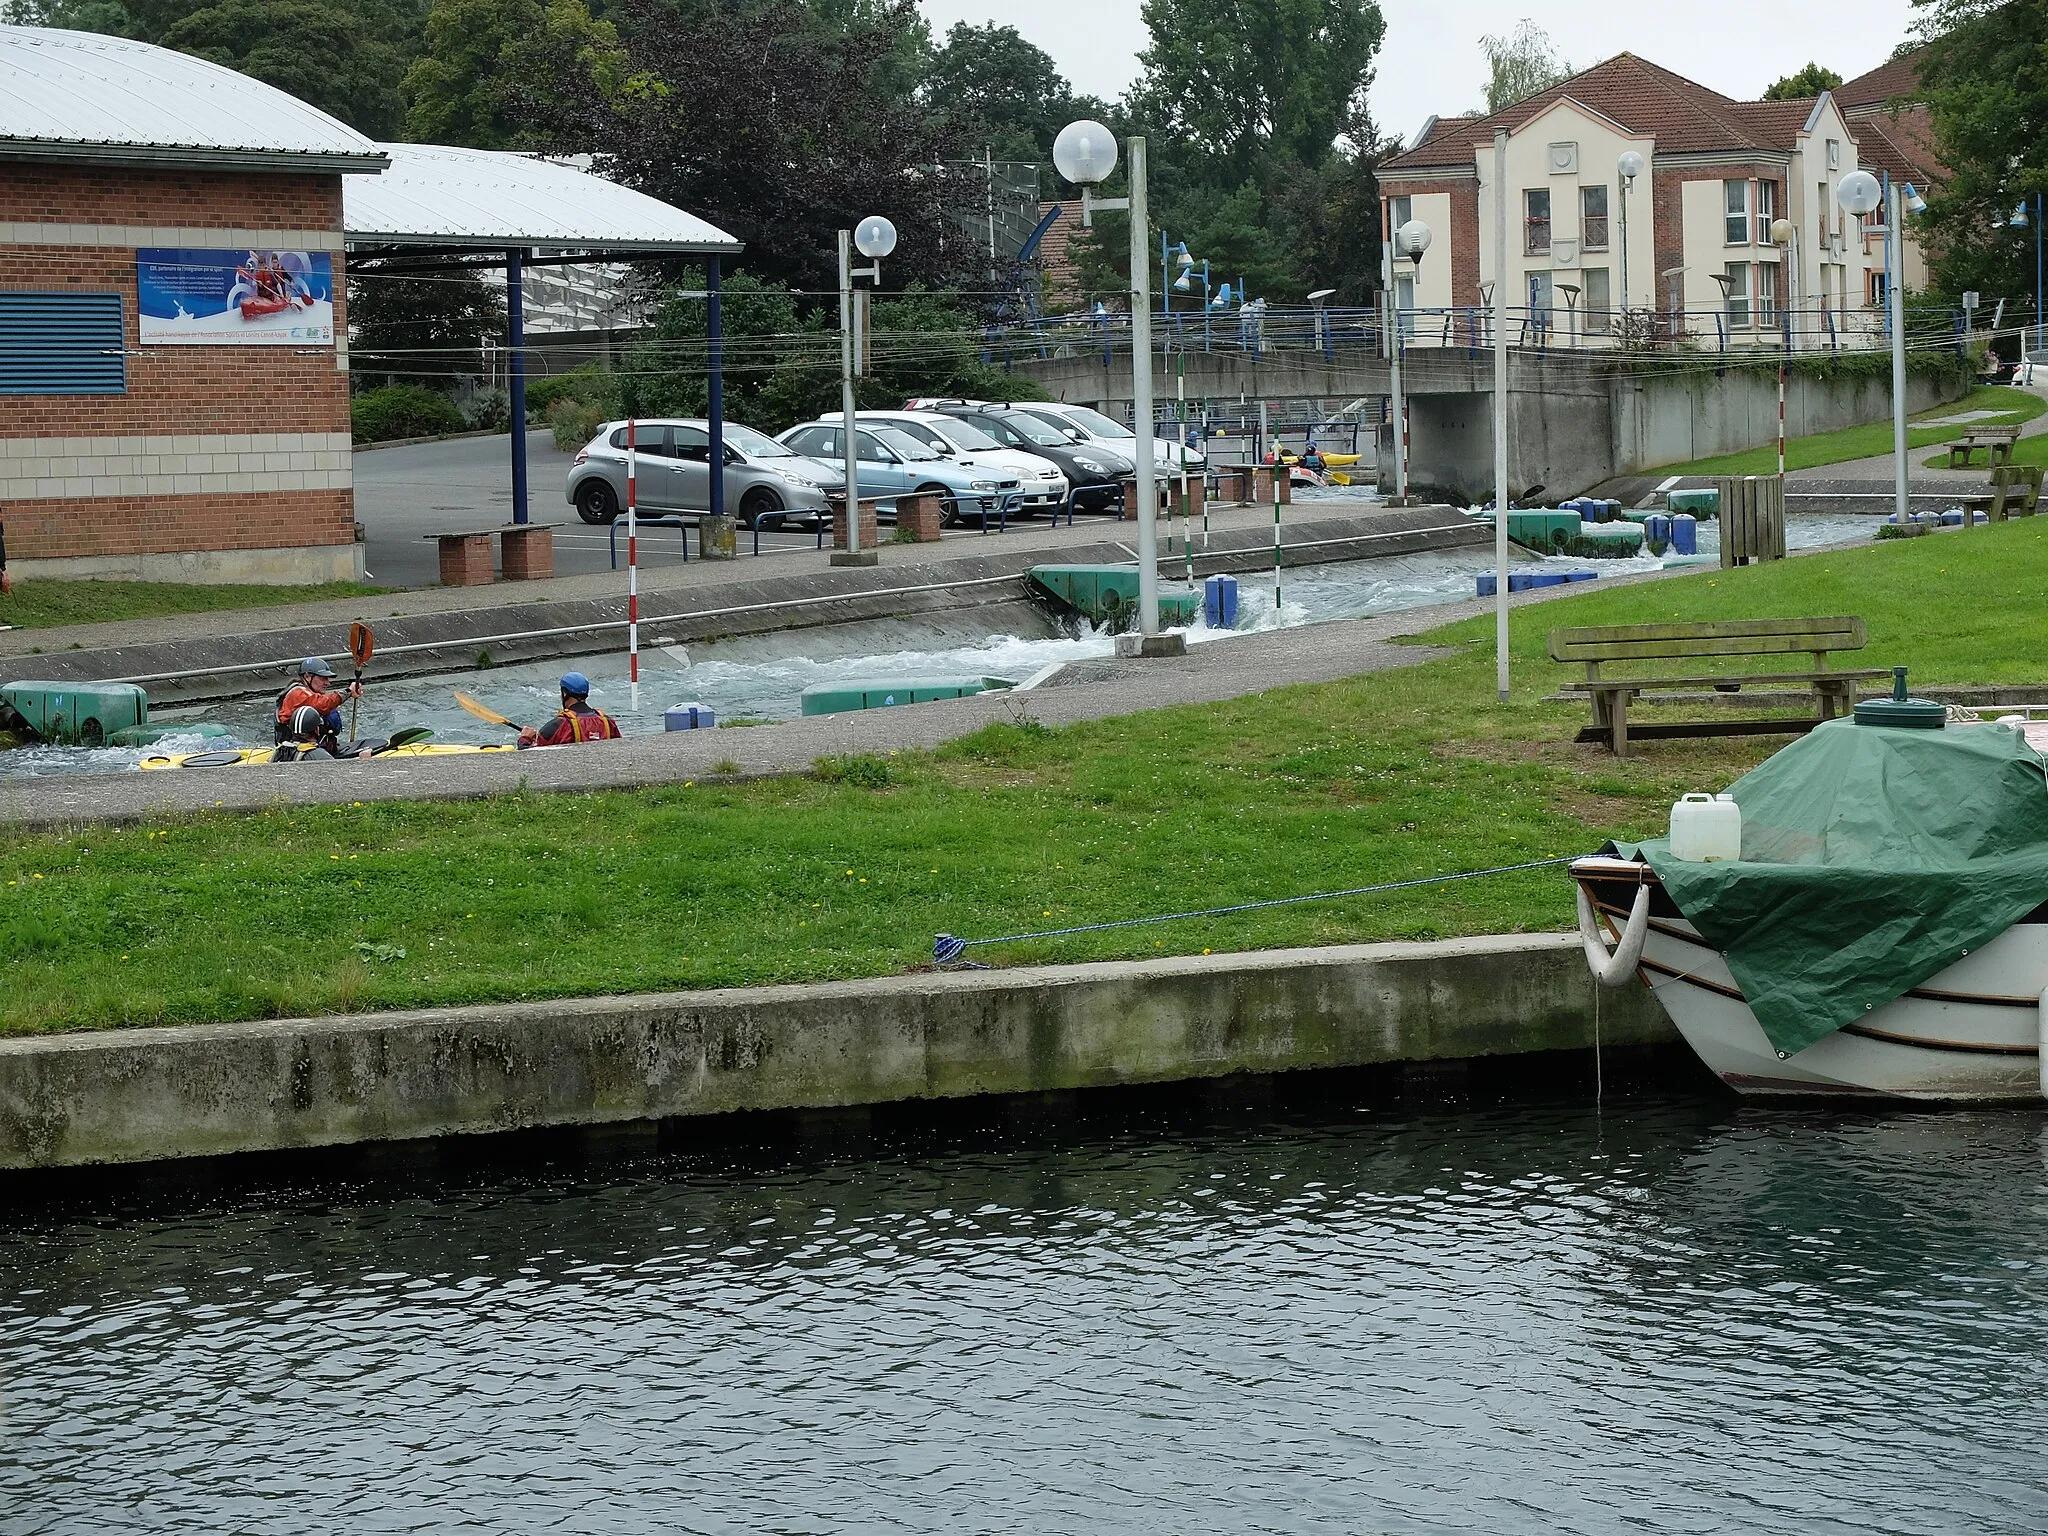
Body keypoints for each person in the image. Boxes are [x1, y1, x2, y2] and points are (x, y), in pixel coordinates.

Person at [276, 657, 359, 751]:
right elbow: (323, 704)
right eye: (323, 678)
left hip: (317, 746)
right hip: (298, 749)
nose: (328, 683)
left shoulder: (308, 692)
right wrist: (348, 692)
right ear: (307, 676)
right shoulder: (298, 693)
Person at [519, 672, 621, 748]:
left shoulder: (558, 725)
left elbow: (530, 755)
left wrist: (525, 738)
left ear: (564, 694)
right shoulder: (608, 722)